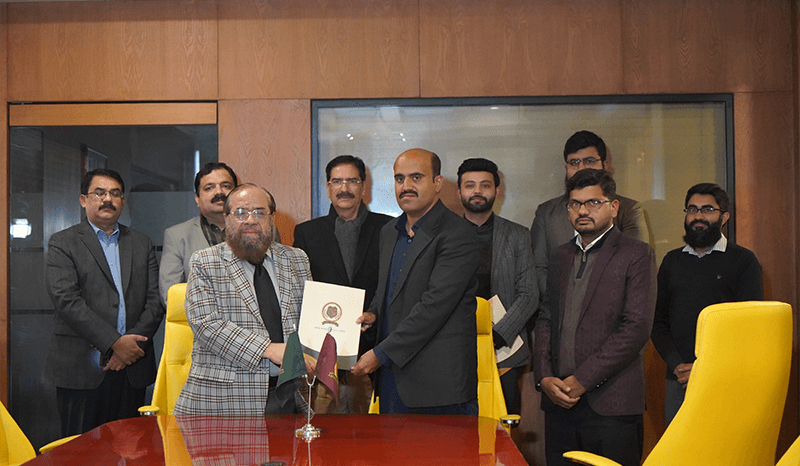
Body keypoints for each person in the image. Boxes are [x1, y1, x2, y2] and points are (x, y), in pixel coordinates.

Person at [533, 169, 656, 466]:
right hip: (560, 402)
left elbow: (636, 328)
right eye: (575, 204)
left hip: (612, 406)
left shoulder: (636, 254)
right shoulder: (560, 255)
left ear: (614, 207)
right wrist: (545, 377)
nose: (583, 211)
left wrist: (582, 380)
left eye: (593, 203)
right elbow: (546, 319)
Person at [351, 148, 480, 415]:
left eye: (416, 177)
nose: (406, 187)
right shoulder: (389, 232)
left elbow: (434, 307)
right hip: (391, 382)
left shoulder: (459, 234)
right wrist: (374, 312)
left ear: (437, 183)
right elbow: (389, 289)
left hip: (439, 389)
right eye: (399, 179)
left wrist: (380, 354)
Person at [44, 168, 163, 437]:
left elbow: (156, 301)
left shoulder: (141, 243)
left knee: (132, 451)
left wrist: (129, 347)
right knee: (82, 451)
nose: (107, 199)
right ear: (84, 200)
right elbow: (67, 300)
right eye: (99, 193)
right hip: (80, 370)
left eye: (115, 193)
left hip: (132, 365)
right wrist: (114, 343)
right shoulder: (63, 242)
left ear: (122, 201)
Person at [174, 183, 312, 416]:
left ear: (272, 218)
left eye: (259, 212)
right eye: (240, 213)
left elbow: (309, 318)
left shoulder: (297, 259)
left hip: (288, 395)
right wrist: (268, 349)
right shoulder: (205, 261)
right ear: (227, 219)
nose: (250, 219)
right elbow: (206, 325)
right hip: (223, 401)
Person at [651, 183, 763, 425]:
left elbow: (749, 329)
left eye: (707, 209)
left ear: (724, 217)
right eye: (692, 209)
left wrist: (707, 370)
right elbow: (657, 322)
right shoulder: (671, 261)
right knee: (679, 456)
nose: (698, 216)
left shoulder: (743, 261)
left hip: (725, 380)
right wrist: (676, 365)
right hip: (678, 379)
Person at [293, 155, 392, 414]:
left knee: (370, 436)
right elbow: (301, 288)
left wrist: (376, 313)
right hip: (323, 352)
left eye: (352, 181)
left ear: (363, 187)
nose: (344, 188)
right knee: (329, 431)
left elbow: (394, 282)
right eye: (337, 181)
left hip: (373, 348)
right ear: (328, 187)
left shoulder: (388, 228)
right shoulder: (307, 233)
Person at [456, 157, 536, 414]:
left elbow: (529, 294)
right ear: (459, 191)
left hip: (505, 349)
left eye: (485, 185)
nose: (477, 191)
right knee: (456, 432)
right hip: (455, 348)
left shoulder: (518, 235)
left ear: (497, 191)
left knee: (503, 430)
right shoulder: (443, 235)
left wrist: (498, 336)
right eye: (470, 185)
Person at [530, 130, 648, 299]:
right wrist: (559, 304)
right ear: (566, 168)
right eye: (574, 162)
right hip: (559, 310)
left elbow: (636, 269)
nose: (581, 168)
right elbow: (539, 268)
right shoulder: (547, 212)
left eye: (589, 161)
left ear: (605, 165)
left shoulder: (629, 210)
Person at [159, 162, 238, 305]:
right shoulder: (177, 236)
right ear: (197, 198)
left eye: (226, 186)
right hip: (197, 326)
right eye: (209, 188)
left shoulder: (261, 230)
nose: (219, 192)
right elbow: (170, 296)